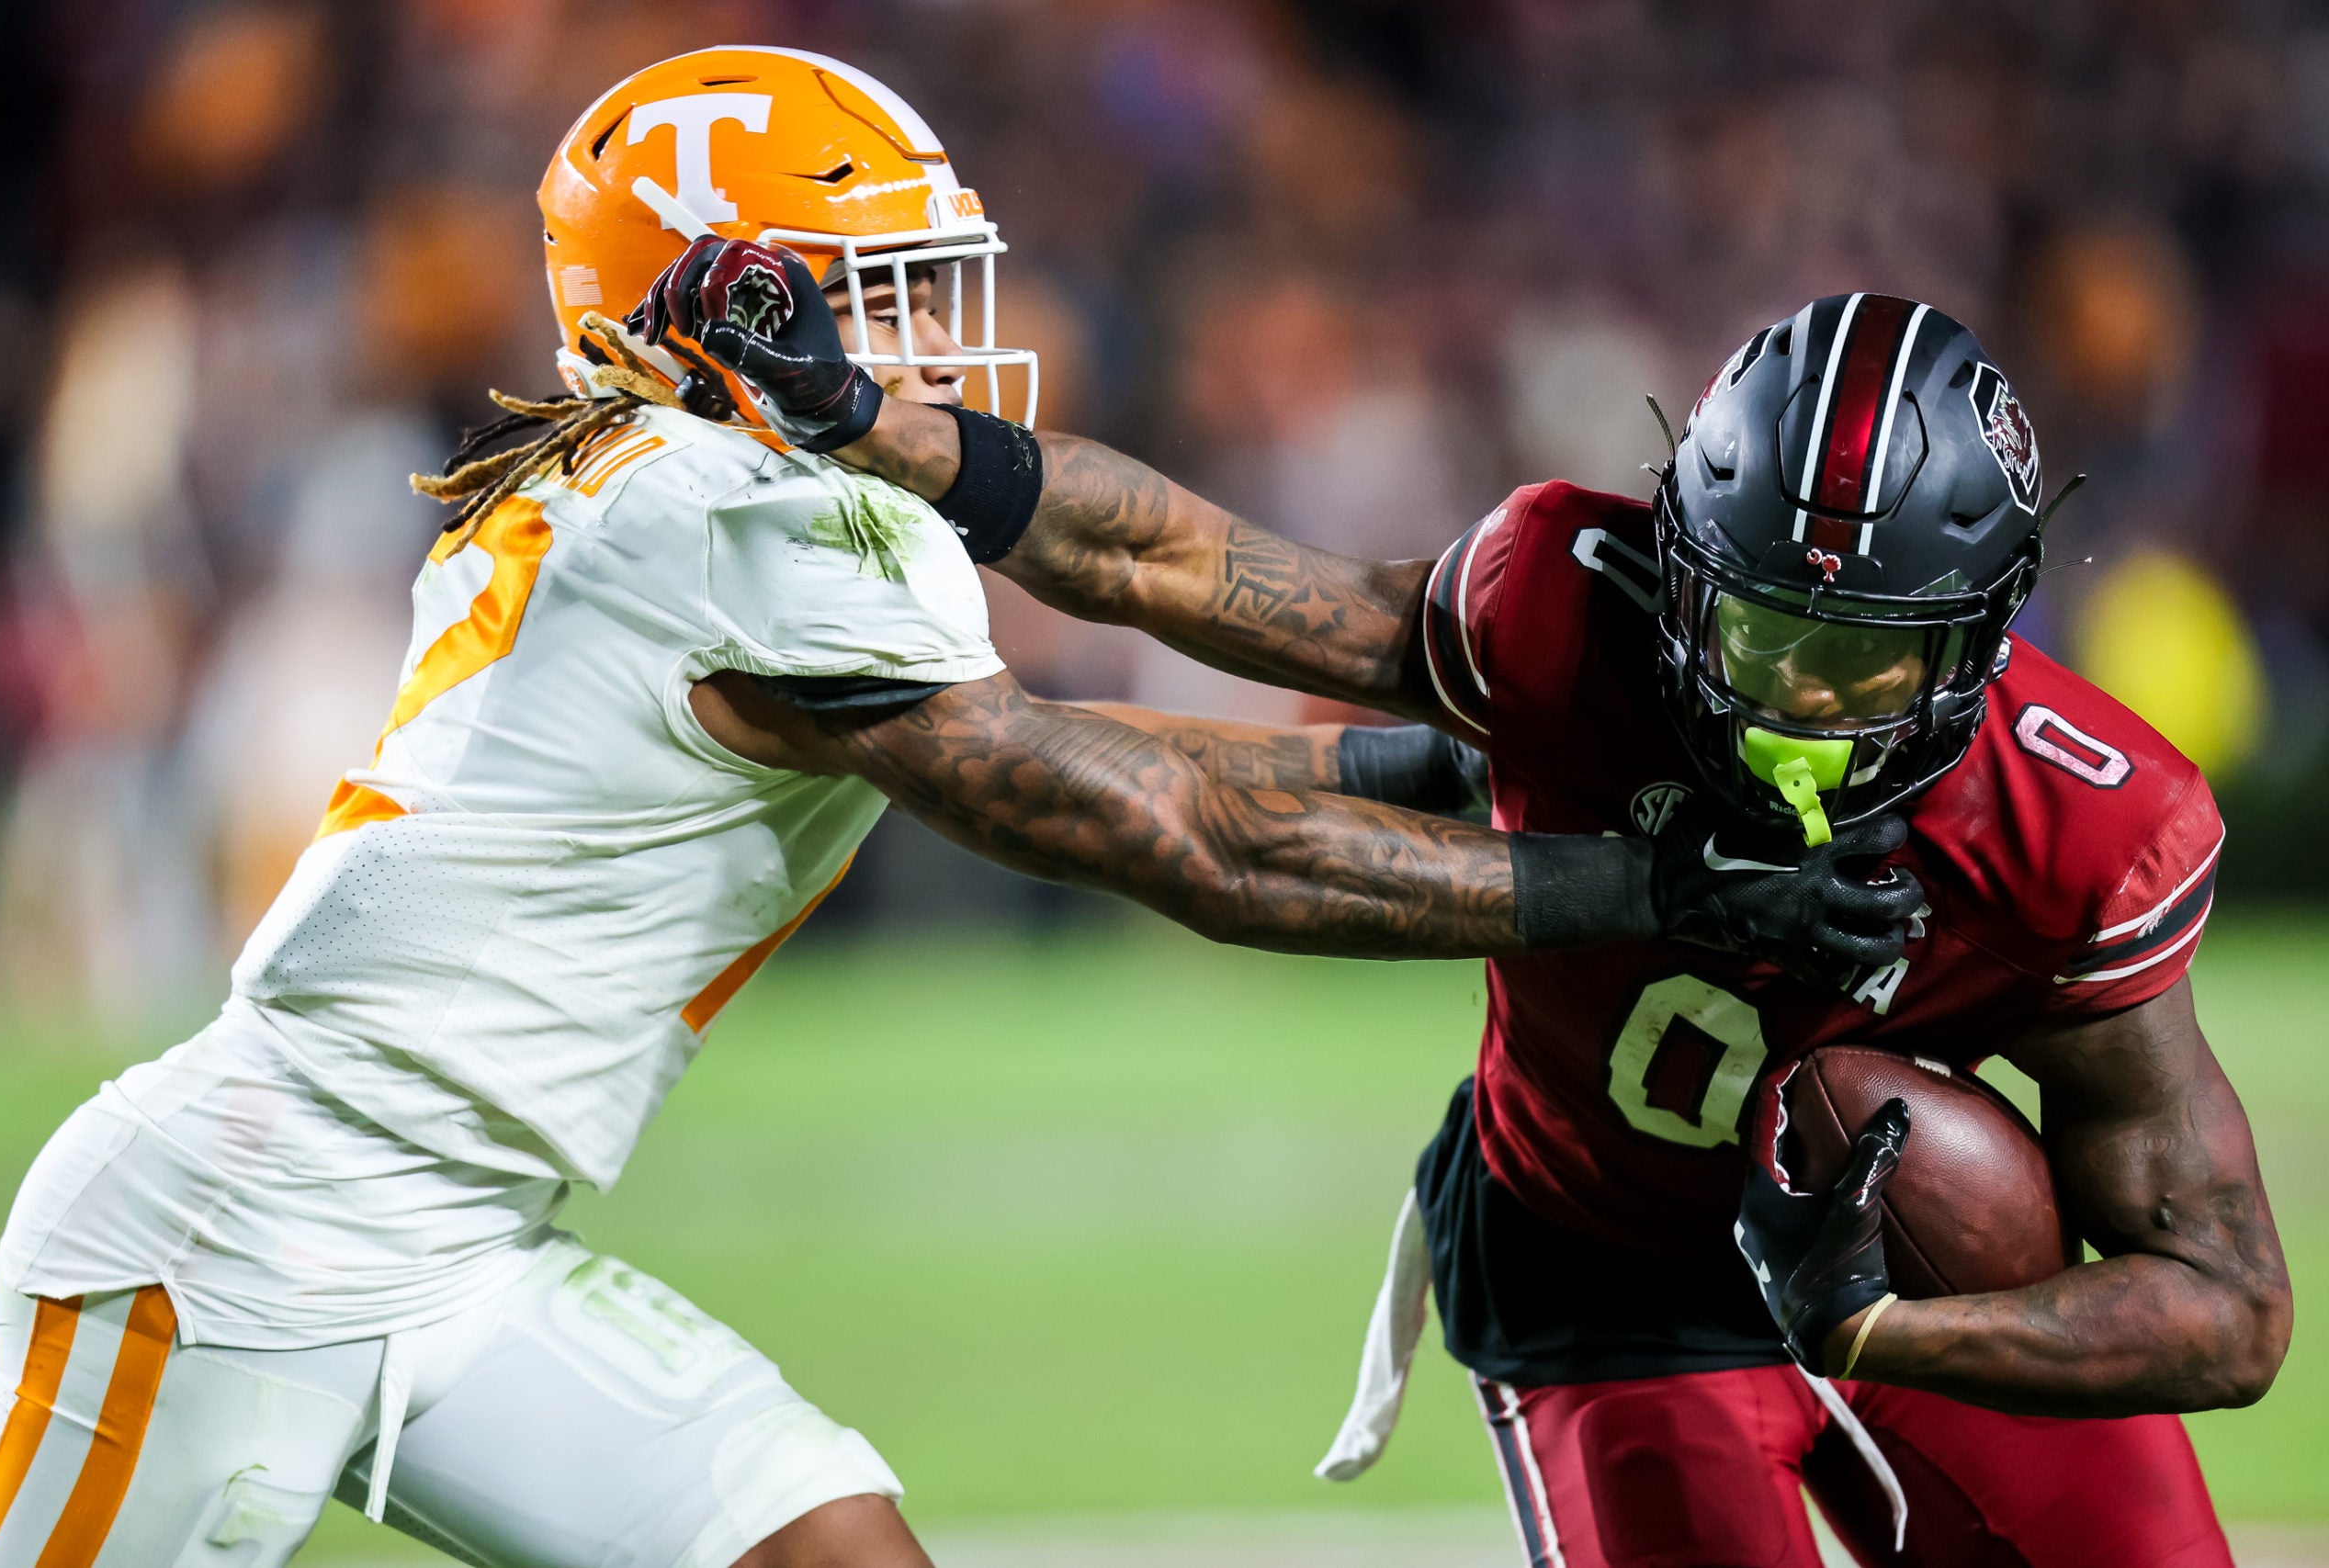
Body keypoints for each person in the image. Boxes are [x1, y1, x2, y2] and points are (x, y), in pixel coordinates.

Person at [0, 49, 1908, 1568]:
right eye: (857, 296)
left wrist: (1453, 756)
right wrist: (1626, 879)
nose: (908, 341)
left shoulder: (640, 474)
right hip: (240, 1232)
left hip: (449, 1236)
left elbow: (1106, 699)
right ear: (716, 303)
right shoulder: (734, 514)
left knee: (831, 1547)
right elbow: (1159, 826)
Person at [710, 257, 2292, 1565]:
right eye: (1754, 629)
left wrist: (1884, 1330)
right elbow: (1177, 561)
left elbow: (2229, 1310)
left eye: (1860, 660)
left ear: (1976, 641)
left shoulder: (2082, 820)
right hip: (1595, 1275)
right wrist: (869, 425)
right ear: (1676, 563)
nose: (1794, 703)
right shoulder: (1556, 603)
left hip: (1905, 1276)